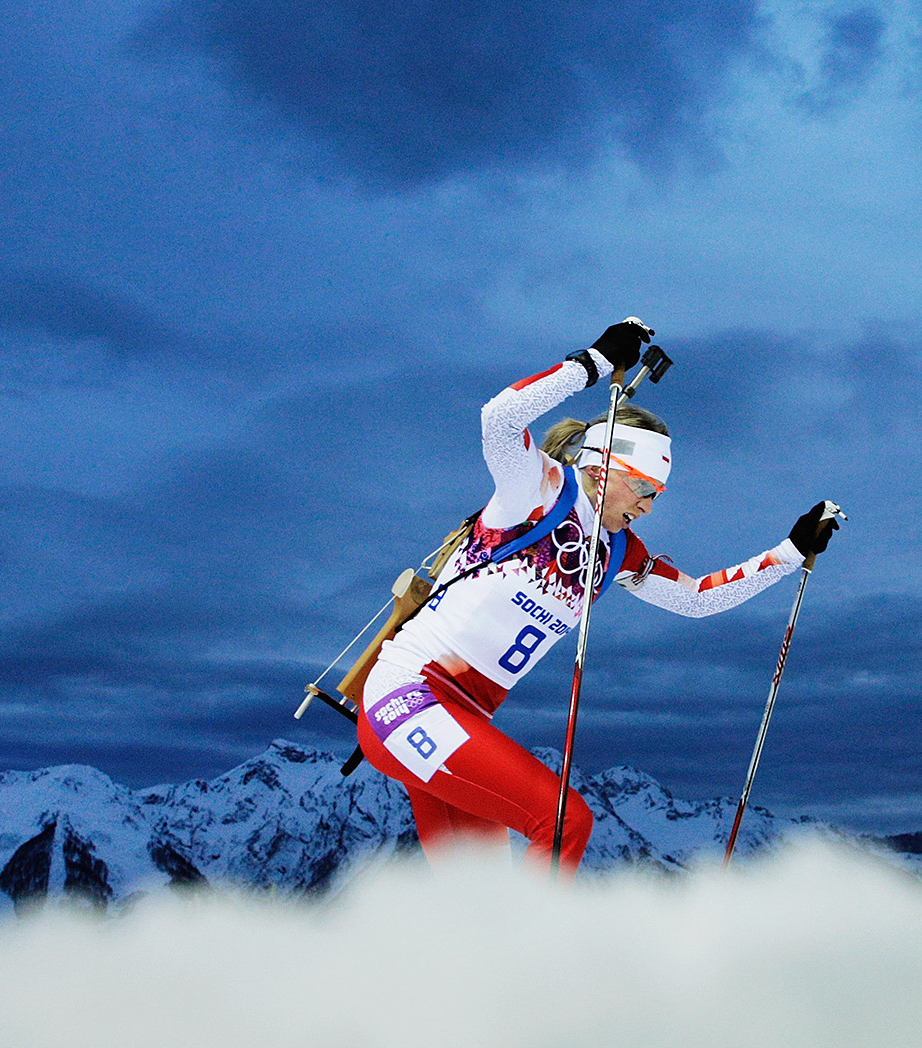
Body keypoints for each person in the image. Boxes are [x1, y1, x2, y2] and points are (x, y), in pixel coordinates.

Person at [354, 318, 839, 871]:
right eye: (645, 488)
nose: (651, 506)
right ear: (605, 466)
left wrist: (789, 551)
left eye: (659, 494)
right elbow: (499, 418)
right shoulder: (536, 490)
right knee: (563, 822)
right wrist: (594, 362)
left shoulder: (618, 552)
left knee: (479, 904)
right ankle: (554, 956)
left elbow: (698, 597)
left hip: (460, 717)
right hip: (408, 696)